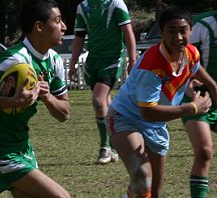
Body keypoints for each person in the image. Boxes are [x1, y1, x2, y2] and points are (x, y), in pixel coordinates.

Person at [105, 6, 217, 198]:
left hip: (156, 125)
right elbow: (147, 112)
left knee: (155, 192)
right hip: (126, 117)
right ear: (162, 33)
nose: (178, 37)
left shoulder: (191, 53)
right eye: (171, 31)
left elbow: (196, 69)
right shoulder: (153, 65)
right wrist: (192, 107)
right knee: (142, 176)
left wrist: (211, 87)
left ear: (191, 30)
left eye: (183, 31)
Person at [0, 0, 71, 197]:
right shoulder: (16, 59)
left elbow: (64, 113)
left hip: (23, 147)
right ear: (39, 27)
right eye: (57, 21)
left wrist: (48, 97)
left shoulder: (55, 61)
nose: (64, 27)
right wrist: (12, 102)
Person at [68, 0, 136, 164]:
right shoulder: (83, 6)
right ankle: (117, 142)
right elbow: (79, 36)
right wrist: (73, 62)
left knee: (98, 101)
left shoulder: (116, 4)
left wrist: (132, 58)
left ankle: (106, 146)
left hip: (111, 59)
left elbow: (127, 31)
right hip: (93, 61)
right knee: (106, 102)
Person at [181, 8, 217, 198]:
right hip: (197, 97)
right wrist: (187, 83)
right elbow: (181, 58)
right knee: (204, 152)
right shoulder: (203, 24)